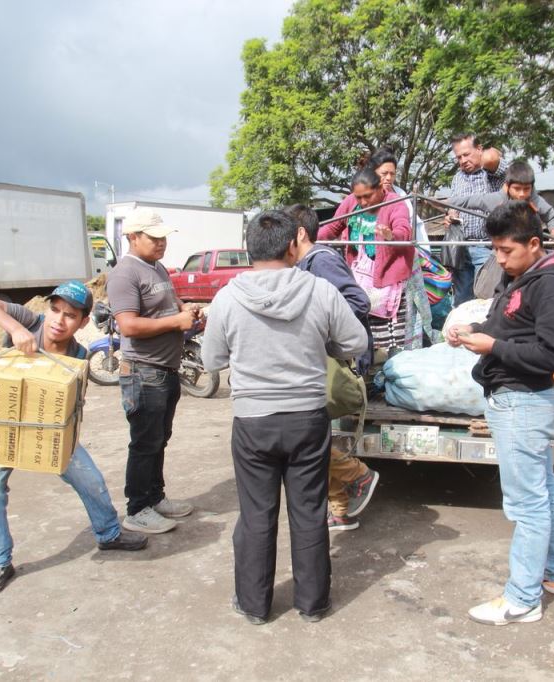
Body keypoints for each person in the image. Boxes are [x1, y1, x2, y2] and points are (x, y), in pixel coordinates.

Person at [201, 210, 368, 625]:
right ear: (293, 245)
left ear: (248, 249)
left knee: (256, 514)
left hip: (253, 419)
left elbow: (211, 359)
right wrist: (320, 343)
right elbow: (355, 340)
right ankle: (313, 604)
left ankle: (254, 605)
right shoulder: (321, 291)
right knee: (309, 510)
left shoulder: (227, 296)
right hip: (307, 419)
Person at [0, 282, 148, 596]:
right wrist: (14, 329)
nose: (58, 320)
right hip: (5, 428)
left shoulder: (78, 355)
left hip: (49, 433)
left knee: (90, 479)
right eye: (55, 309)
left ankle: (109, 534)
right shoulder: (30, 322)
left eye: (69, 315)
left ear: (82, 321)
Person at [446, 200, 554, 626]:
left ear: (534, 243)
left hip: (523, 401)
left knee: (527, 504)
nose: (498, 258)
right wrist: (473, 333)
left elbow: (552, 354)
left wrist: (493, 348)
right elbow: (509, 329)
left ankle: (522, 599)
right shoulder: (522, 277)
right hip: (512, 398)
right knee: (544, 490)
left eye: (506, 250)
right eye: (495, 249)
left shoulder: (552, 284)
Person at [106, 207, 200, 535]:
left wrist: (184, 310)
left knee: (159, 439)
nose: (161, 243)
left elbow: (164, 307)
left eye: (163, 238)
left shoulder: (156, 267)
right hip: (144, 372)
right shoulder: (125, 273)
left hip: (165, 369)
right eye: (153, 237)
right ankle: (137, 509)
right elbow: (128, 325)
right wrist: (176, 321)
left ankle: (155, 498)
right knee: (145, 442)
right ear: (133, 237)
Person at [286, 203, 379, 532]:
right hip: (323, 359)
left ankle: (357, 475)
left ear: (299, 234)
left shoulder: (321, 261)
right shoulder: (307, 264)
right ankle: (339, 509)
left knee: (306, 439)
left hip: (336, 359)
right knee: (313, 434)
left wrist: (318, 329)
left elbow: (357, 302)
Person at [318, 167, 415, 352]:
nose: (362, 202)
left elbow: (404, 231)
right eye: (358, 197)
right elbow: (332, 228)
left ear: (380, 188)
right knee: (363, 334)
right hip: (361, 279)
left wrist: (390, 235)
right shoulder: (351, 203)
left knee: (390, 343)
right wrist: (308, 239)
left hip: (389, 282)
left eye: (367, 196)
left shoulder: (395, 203)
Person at [368, 147, 441, 346]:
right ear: (373, 173)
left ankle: (410, 352)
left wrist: (395, 237)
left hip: (406, 264)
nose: (389, 178)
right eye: (384, 173)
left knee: (409, 313)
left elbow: (407, 228)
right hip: (377, 270)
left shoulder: (400, 196)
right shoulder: (364, 198)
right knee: (381, 313)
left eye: (392, 173)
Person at [447, 133, 504, 305]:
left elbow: (496, 159)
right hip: (461, 248)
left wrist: (482, 158)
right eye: (459, 157)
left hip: (486, 247)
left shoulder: (492, 173)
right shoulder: (458, 177)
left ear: (479, 149)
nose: (463, 160)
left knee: (487, 298)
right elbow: (453, 205)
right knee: (462, 300)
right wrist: (450, 216)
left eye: (467, 154)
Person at [451, 160, 554, 238]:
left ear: (532, 187)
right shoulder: (496, 200)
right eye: (517, 189)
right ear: (507, 186)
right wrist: (443, 203)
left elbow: (552, 217)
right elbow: (468, 201)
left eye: (526, 189)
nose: (522, 194)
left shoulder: (535, 200)